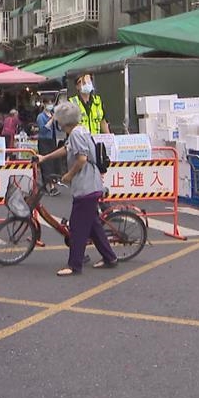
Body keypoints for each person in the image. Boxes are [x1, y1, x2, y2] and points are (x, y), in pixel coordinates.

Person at [37, 102, 117, 276]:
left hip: (86, 186)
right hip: (90, 184)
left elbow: (81, 158)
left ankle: (74, 265)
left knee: (77, 227)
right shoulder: (79, 131)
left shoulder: (75, 134)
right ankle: (110, 257)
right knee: (93, 225)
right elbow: (67, 150)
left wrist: (69, 176)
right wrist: (45, 158)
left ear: (63, 122)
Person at [36, 101, 60, 196]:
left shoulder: (52, 114)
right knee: (46, 164)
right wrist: (51, 120)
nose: (51, 105)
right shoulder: (40, 117)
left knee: (53, 163)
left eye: (51, 103)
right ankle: (50, 187)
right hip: (44, 141)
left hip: (52, 141)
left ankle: (50, 185)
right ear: (44, 105)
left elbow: (58, 128)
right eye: (48, 103)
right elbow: (43, 129)